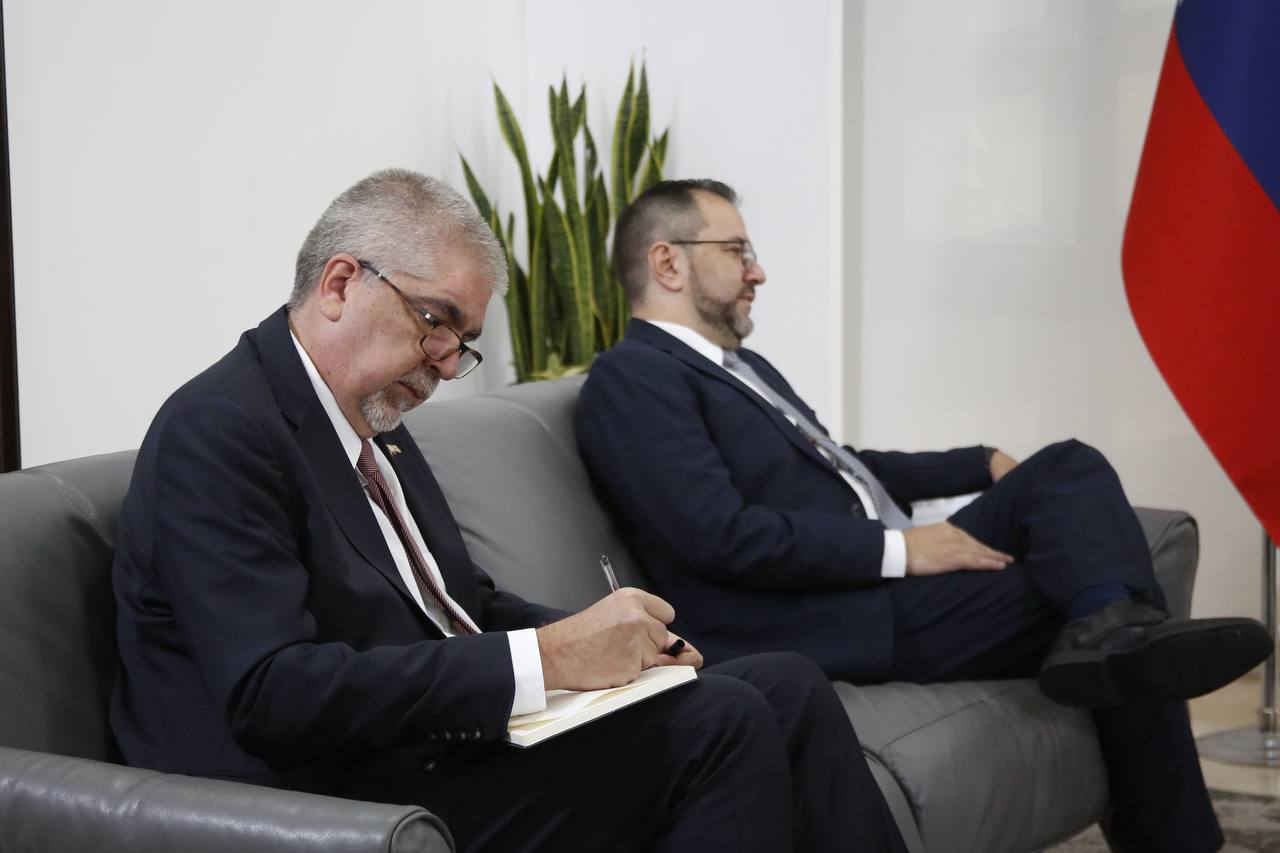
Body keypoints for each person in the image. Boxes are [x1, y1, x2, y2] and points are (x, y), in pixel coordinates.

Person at [108, 169, 907, 853]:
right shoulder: (220, 430)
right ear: (342, 282)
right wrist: (548, 658)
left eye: (462, 341)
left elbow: (463, 604)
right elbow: (273, 693)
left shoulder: (375, 422)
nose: (445, 364)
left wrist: (612, 641)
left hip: (436, 746)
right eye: (435, 322)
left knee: (787, 684)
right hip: (331, 798)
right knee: (721, 723)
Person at [575, 178, 1274, 853]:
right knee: (1109, 601)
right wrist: (902, 551)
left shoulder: (742, 368)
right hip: (826, 611)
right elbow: (717, 534)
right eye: (738, 251)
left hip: (867, 574)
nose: (758, 271)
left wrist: (975, 462)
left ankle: (1112, 626)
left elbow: (842, 466)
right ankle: (1167, 810)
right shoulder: (633, 377)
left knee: (1068, 468)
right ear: (667, 262)